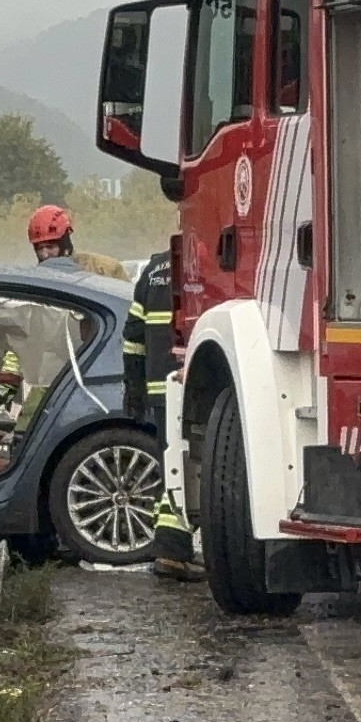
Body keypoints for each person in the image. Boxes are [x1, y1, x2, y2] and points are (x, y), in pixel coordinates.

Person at [123, 243, 197, 577]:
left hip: (159, 388)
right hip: (194, 386)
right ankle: (172, 552)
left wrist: (134, 387)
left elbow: (132, 336)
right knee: (196, 466)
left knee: (174, 467)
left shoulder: (153, 271)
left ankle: (173, 550)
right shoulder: (203, 262)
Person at [27, 203, 124, 282]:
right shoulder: (36, 280)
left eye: (50, 247)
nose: (45, 254)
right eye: (40, 248)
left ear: (65, 244)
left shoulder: (105, 269)